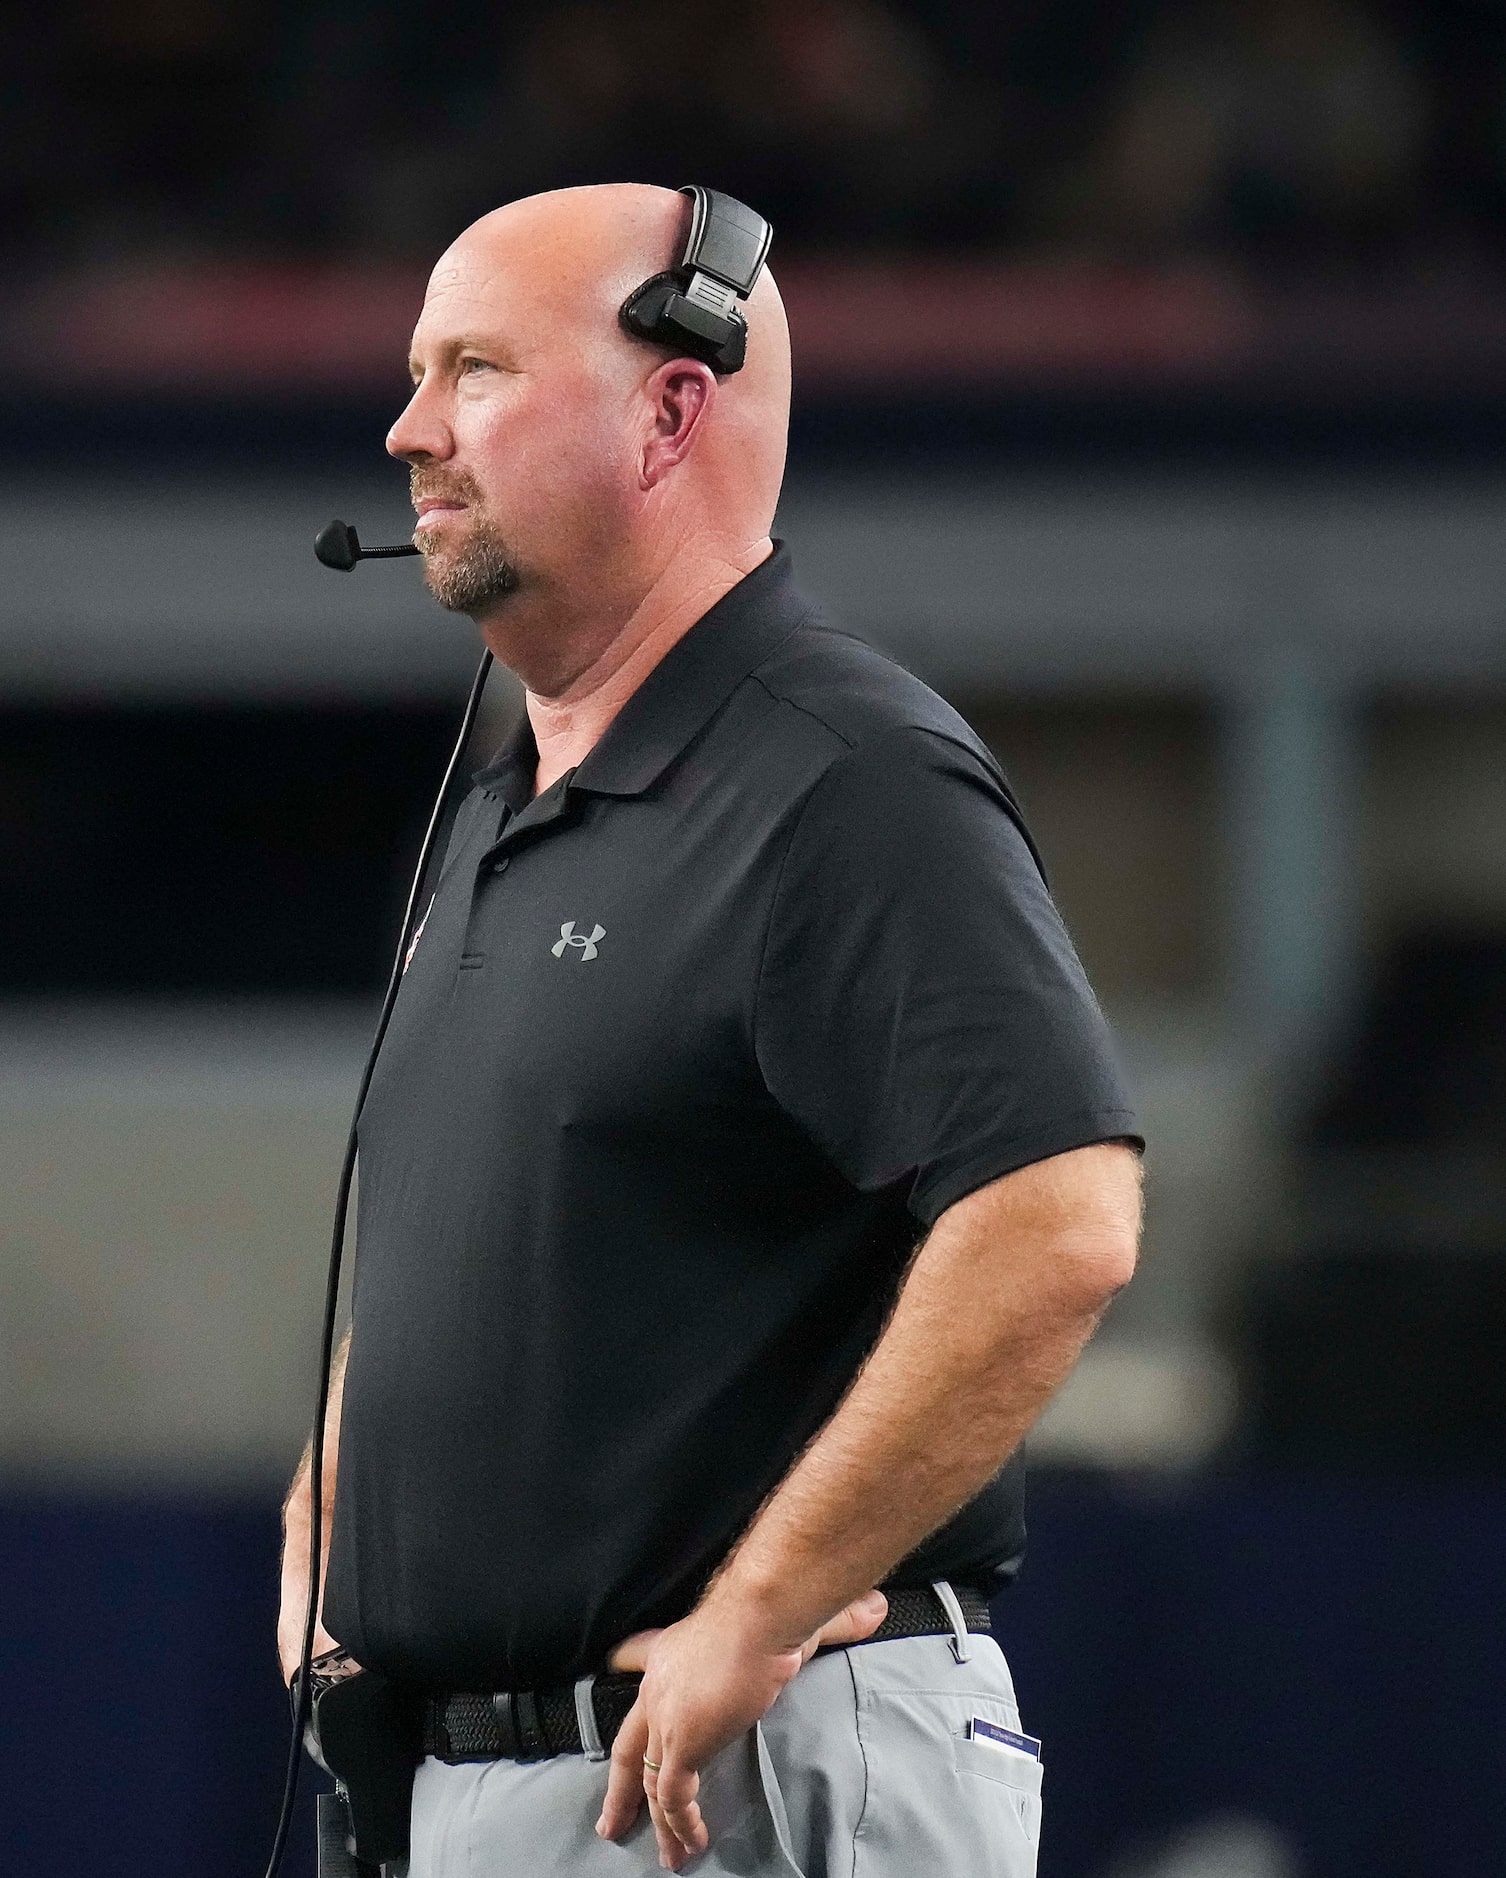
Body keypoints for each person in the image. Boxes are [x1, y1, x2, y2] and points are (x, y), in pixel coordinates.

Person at [277, 184, 1141, 1877]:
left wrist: (762, 1601)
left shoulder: (842, 775)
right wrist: (332, 1502)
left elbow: (1056, 1218)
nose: (406, 430)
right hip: (493, 1788)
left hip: (731, 1776)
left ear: (673, 403)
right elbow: (489, 1231)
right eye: (413, 373)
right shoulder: (501, 802)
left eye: (472, 371)